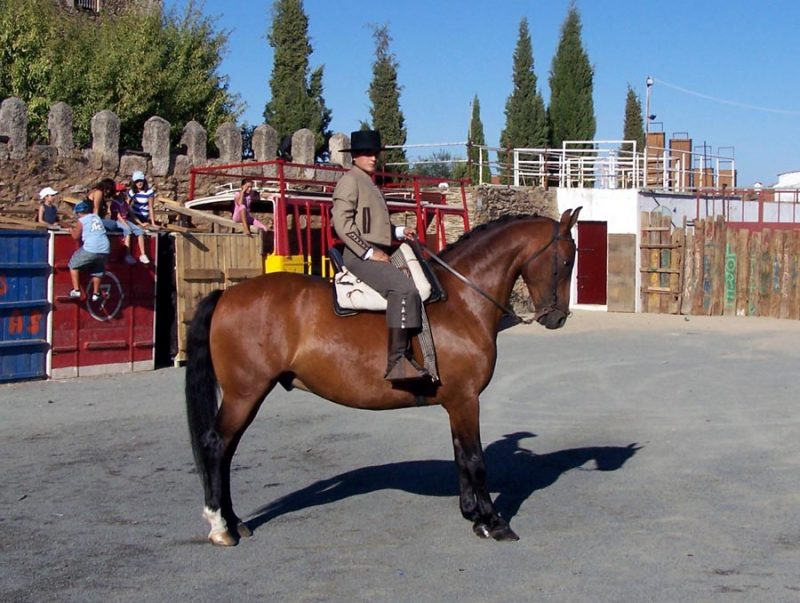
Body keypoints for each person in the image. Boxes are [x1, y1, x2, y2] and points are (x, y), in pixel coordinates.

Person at [331, 130, 430, 383]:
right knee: (404, 290)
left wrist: (398, 231)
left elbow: (371, 223)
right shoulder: (350, 180)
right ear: (354, 156)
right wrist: (368, 251)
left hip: (376, 248)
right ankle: (397, 362)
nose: (372, 157)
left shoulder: (370, 182)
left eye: (375, 153)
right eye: (366, 153)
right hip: (358, 255)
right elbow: (342, 224)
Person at [67, 201, 110, 302]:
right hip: (105, 248)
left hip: (92, 247)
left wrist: (71, 230)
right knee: (98, 270)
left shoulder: (81, 220)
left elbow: (76, 237)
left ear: (78, 213)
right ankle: (96, 293)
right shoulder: (96, 217)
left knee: (73, 265)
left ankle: (76, 290)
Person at [111, 181, 149, 264]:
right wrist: (126, 225)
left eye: (122, 191)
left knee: (140, 231)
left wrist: (141, 224)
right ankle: (127, 255)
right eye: (119, 192)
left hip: (125, 220)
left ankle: (143, 254)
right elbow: (118, 216)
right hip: (117, 221)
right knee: (127, 232)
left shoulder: (125, 203)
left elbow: (132, 214)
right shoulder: (114, 203)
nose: (121, 193)